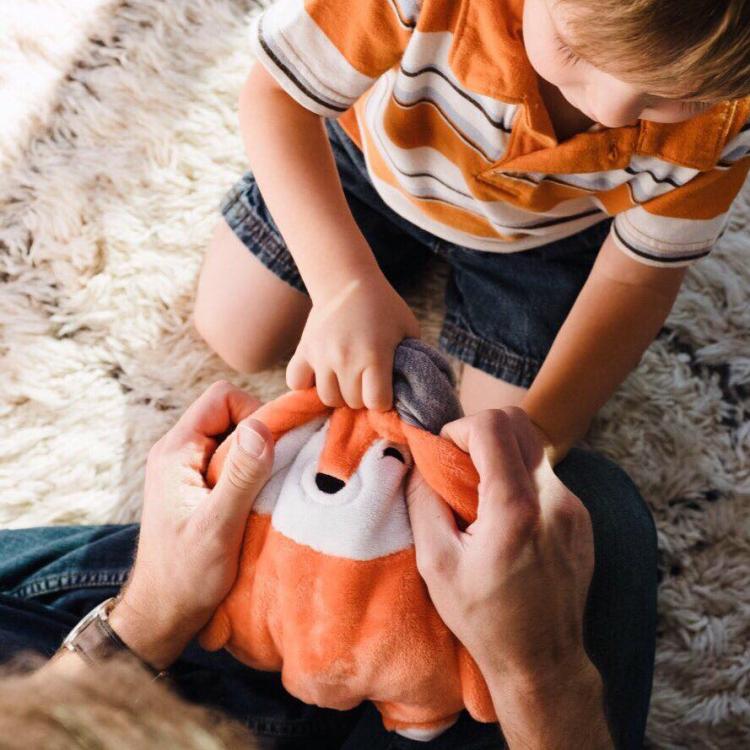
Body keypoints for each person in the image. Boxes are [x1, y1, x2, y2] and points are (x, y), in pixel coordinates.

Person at [193, 0, 750, 463]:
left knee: (490, 452)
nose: (611, 106)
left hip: (543, 245)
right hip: (366, 167)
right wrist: (342, 285)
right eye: (575, 49)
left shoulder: (732, 110)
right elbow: (274, 96)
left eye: (680, 96)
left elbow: (637, 282)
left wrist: (544, 431)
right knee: (235, 332)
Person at [0, 381, 657, 748]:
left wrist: (147, 617)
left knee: (541, 524)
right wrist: (541, 675)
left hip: (92, 672)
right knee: (592, 514)